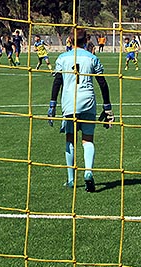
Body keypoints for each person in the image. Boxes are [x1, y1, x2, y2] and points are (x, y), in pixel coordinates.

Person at [48, 28, 114, 193]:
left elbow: (57, 82)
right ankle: (88, 172)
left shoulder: (62, 58)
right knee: (87, 140)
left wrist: (52, 106)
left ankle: (71, 179)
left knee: (70, 139)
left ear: (70, 40)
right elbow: (103, 83)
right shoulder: (92, 58)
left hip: (70, 102)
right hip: (88, 101)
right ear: (86, 41)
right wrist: (107, 108)